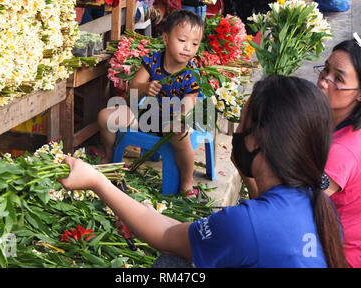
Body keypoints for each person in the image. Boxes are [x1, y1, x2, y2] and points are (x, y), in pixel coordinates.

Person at [59, 75, 348, 267]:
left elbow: (166, 237)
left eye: (241, 125)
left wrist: (97, 181)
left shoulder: (247, 224)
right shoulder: (320, 207)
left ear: (258, 138)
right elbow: (179, 231)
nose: (236, 134)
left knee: (169, 267)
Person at [96, 9, 204, 197]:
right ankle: (109, 157)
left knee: (181, 135)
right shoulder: (153, 61)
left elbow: (189, 100)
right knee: (105, 116)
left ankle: (187, 182)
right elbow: (133, 88)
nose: (188, 48)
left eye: (194, 44)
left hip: (172, 121)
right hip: (145, 115)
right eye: (182, 40)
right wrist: (145, 88)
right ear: (165, 39)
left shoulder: (190, 73)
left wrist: (179, 118)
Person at [315, 38, 361, 268]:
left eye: (339, 79)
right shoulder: (346, 125)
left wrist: (249, 172)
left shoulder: (342, 151)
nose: (324, 82)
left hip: (339, 258)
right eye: (325, 70)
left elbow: (292, 212)